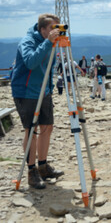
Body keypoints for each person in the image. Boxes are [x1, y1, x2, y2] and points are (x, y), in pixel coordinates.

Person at [11, 13, 64, 189]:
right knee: (31, 131)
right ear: (42, 29)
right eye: (52, 28)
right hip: (26, 92)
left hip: (44, 91)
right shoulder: (27, 41)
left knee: (47, 127)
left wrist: (49, 88)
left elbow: (48, 68)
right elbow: (31, 62)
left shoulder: (50, 41)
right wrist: (48, 42)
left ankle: (43, 165)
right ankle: (31, 170)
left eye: (58, 27)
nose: (55, 31)